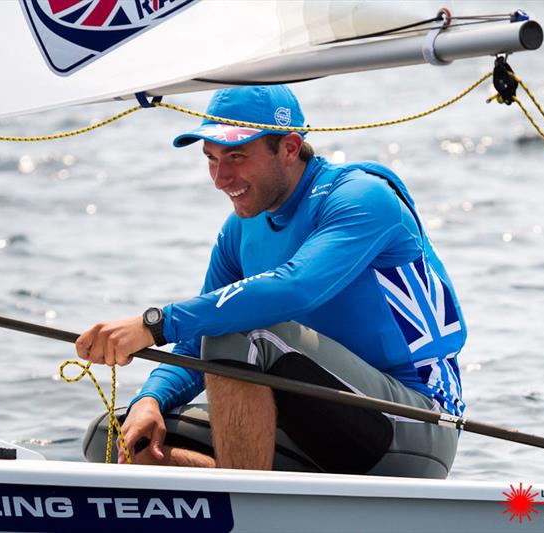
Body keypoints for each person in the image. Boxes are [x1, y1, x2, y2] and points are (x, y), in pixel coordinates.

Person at [76, 85, 467, 478]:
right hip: (306, 421)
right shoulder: (239, 231)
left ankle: (243, 502)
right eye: (211, 159)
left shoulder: (362, 198)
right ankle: (257, 491)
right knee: (115, 440)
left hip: (412, 425)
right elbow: (196, 345)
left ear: (291, 148)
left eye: (236, 156)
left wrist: (155, 325)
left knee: (240, 330)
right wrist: (151, 399)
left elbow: (297, 288)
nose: (221, 178)